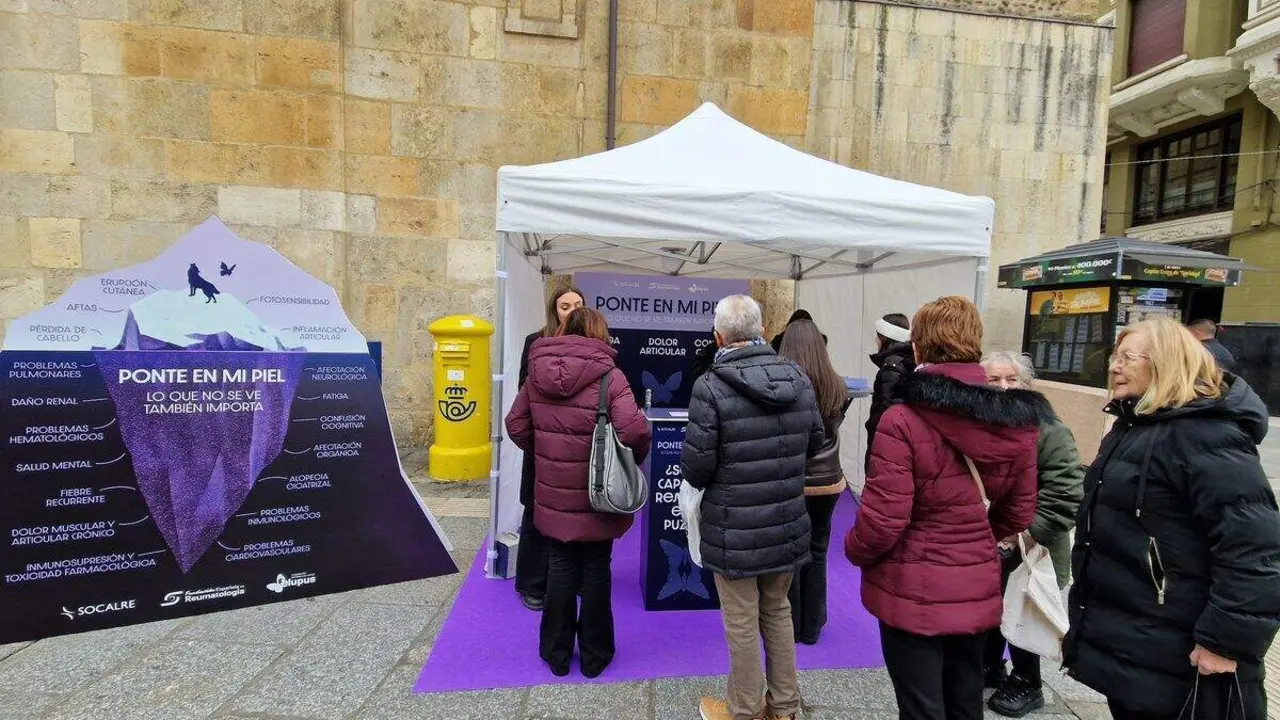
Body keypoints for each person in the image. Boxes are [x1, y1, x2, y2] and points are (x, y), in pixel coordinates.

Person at [1063, 317, 1280, 720]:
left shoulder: (1205, 436)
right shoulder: (1134, 425)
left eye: (1128, 357)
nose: (1114, 366)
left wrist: (1224, 642)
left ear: (1166, 363)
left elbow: (1255, 551)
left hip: (1186, 650)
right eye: (1115, 356)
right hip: (1140, 643)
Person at [845, 296, 1041, 720]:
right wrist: (976, 536)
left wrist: (853, 550)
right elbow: (1020, 511)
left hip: (912, 583)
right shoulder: (1015, 419)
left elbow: (883, 520)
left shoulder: (902, 420)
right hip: (974, 576)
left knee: (920, 705)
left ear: (918, 348)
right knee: (965, 697)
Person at [681, 295, 824, 720]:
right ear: (762, 331)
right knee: (778, 611)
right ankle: (784, 707)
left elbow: (697, 466)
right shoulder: (797, 376)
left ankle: (744, 710)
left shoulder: (710, 385)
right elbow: (815, 442)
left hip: (733, 525)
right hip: (785, 519)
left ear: (718, 336)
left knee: (741, 621)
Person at [504, 307, 650, 678]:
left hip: (553, 493)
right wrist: (629, 459)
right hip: (599, 491)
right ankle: (595, 656)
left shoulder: (537, 371)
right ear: (601, 334)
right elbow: (635, 432)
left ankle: (556, 653)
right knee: (597, 570)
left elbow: (515, 425)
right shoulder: (610, 376)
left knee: (560, 567)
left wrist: (547, 453)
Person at [980, 351, 1085, 717]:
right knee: (992, 609)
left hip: (1033, 546)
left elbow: (1067, 492)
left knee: (1026, 611)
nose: (1004, 387)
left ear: (1027, 385)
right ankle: (991, 667)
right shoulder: (981, 425)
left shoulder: (1049, 430)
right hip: (992, 543)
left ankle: (1028, 681)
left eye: (1013, 379)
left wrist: (1025, 533)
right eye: (994, 380)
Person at [779, 319, 851, 646]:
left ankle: (791, 624)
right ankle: (812, 626)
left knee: (791, 554)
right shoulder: (838, 386)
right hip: (830, 480)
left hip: (793, 477)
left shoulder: (783, 384)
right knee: (818, 551)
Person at [513, 285, 585, 611]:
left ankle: (576, 578)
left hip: (578, 448)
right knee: (537, 515)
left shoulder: (596, 344)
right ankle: (533, 584)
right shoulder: (536, 342)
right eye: (565, 305)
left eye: (578, 304)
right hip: (544, 444)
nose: (571, 311)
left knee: (578, 516)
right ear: (553, 310)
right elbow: (522, 397)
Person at [865, 313, 914, 472]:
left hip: (885, 446)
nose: (875, 340)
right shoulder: (905, 361)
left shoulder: (891, 366)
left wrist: (872, 426)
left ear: (885, 338)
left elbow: (888, 411)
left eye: (878, 336)